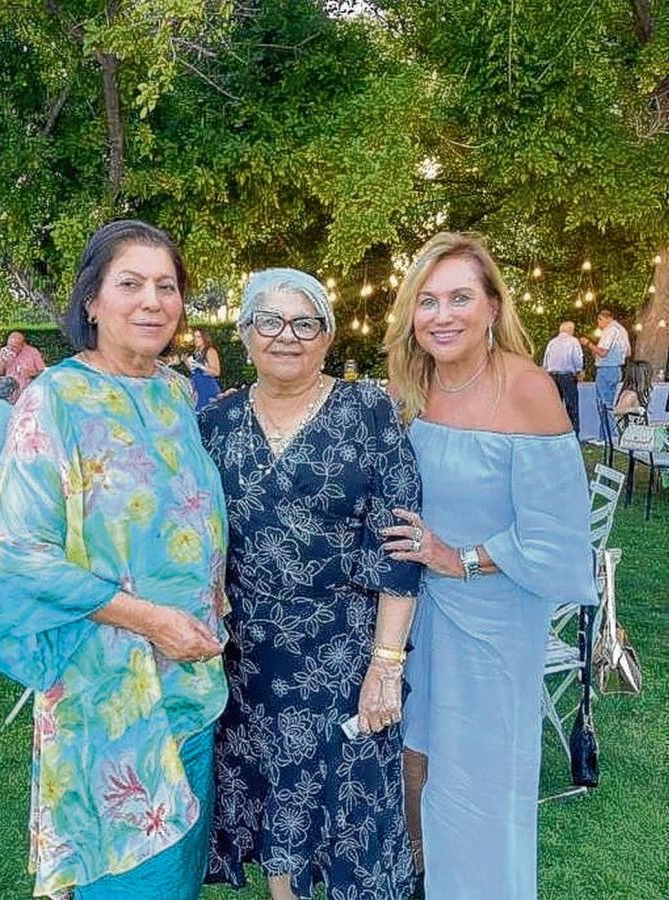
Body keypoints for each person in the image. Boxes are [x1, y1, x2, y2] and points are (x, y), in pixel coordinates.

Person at [0, 220, 230, 900]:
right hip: (106, 694)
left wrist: (210, 596)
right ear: (92, 300)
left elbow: (188, 514)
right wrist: (150, 620)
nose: (152, 302)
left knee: (177, 875)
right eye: (130, 283)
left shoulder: (174, 392)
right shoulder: (53, 399)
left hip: (191, 685)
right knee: (128, 877)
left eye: (166, 286)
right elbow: (19, 555)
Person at [382, 232, 597, 900]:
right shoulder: (412, 383)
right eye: (427, 300)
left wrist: (461, 558)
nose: (441, 315)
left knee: (478, 780)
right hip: (417, 616)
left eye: (459, 298)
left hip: (493, 619)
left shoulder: (526, 387)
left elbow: (559, 534)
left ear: (492, 306)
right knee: (413, 765)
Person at [200, 268, 423, 900]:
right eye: (270, 320)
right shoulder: (213, 424)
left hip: (346, 656)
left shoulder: (368, 413)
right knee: (277, 799)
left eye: (305, 323)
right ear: (245, 333)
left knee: (353, 810)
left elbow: (398, 549)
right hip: (249, 658)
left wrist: (386, 665)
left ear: (327, 336)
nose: (287, 336)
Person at [580, 309, 630, 439]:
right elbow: (628, 352)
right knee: (610, 403)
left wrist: (589, 344)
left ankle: (607, 436)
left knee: (604, 403)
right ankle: (608, 435)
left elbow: (603, 352)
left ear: (606, 318)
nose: (598, 323)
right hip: (616, 369)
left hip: (606, 370)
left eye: (599, 320)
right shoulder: (622, 330)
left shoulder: (610, 330)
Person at [542, 321, 583, 436]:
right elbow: (577, 358)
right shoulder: (573, 341)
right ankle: (573, 434)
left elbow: (546, 360)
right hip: (567, 376)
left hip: (552, 376)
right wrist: (579, 370)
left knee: (555, 406)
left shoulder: (552, 342)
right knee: (572, 406)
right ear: (570, 329)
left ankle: (555, 433)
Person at [0, 330, 46, 401]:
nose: (11, 349)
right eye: (9, 345)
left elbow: (43, 373)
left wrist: (31, 373)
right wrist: (2, 361)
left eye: (14, 347)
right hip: (10, 394)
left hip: (28, 393)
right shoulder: (4, 351)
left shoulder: (33, 352)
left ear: (22, 345)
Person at [187, 328, 222, 410]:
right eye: (194, 337)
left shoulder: (210, 351)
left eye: (198, 337)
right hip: (197, 387)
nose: (195, 339)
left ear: (204, 338)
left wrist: (201, 366)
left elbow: (216, 372)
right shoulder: (196, 352)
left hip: (207, 387)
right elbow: (195, 371)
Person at [614, 359, 652, 431]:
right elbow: (617, 410)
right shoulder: (631, 394)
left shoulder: (635, 393)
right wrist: (634, 410)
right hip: (632, 434)